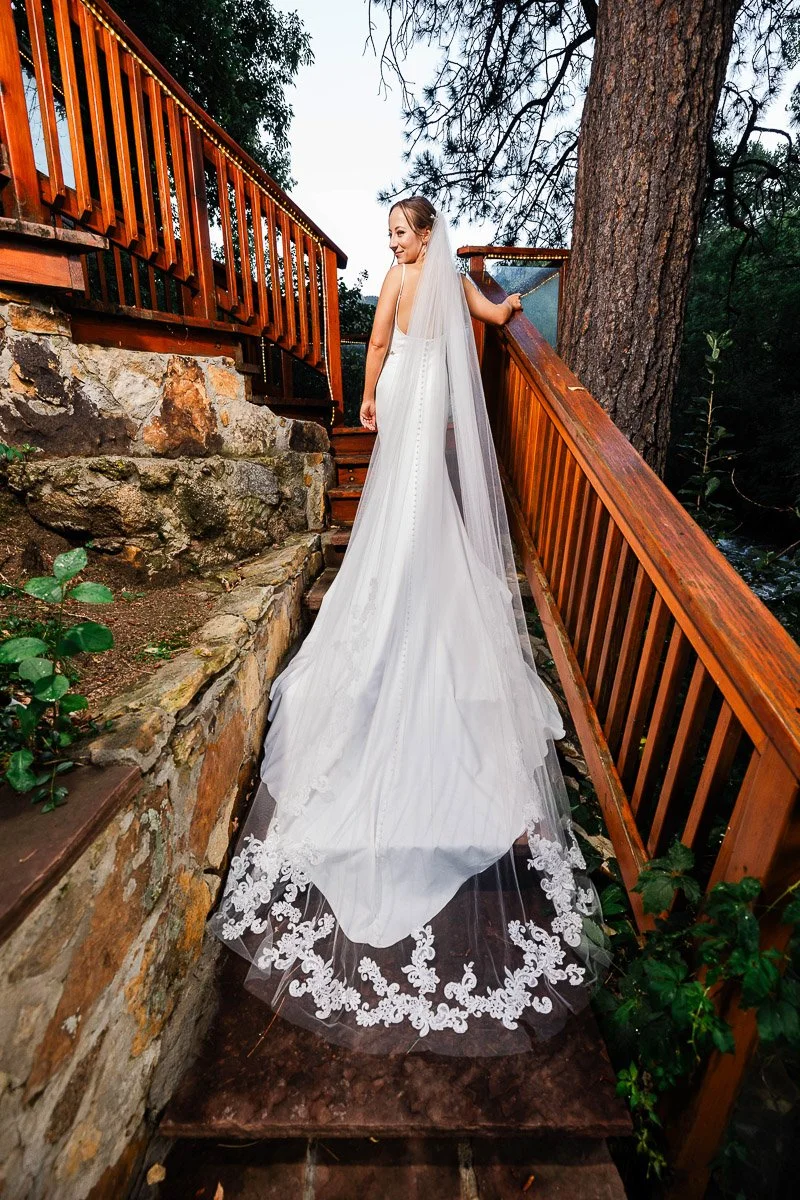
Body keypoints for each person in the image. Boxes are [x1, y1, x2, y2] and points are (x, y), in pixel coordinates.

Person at [209, 196, 609, 1056]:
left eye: (400, 233)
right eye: (388, 235)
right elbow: (424, 330)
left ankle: (411, 580)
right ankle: (399, 578)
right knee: (409, 494)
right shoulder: (430, 277)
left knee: (417, 497)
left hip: (414, 391)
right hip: (416, 390)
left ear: (425, 232)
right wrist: (379, 394)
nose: (391, 245)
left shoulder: (421, 277)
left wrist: (373, 395)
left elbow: (426, 330)